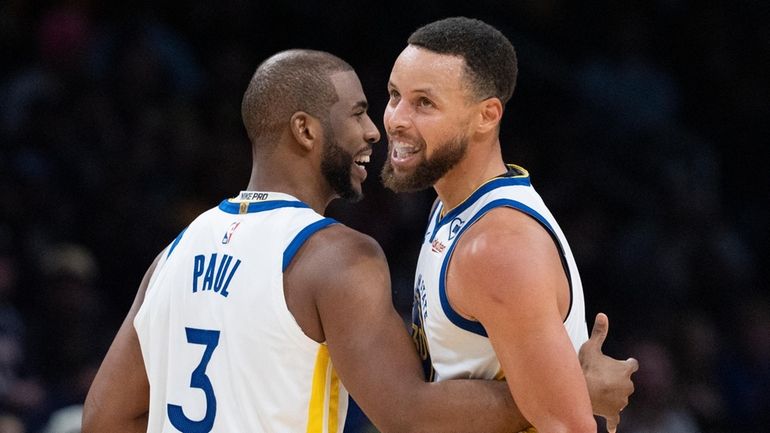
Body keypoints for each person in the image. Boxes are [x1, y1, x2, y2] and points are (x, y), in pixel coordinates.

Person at [82, 49, 633, 433]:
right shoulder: (336, 257)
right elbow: (412, 417)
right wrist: (570, 389)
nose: (376, 130)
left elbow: (105, 420)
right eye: (360, 112)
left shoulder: (173, 254)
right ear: (305, 131)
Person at [381, 17, 638, 433]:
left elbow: (570, 426)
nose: (396, 118)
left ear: (486, 116)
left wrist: (574, 392)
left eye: (424, 103)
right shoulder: (453, 208)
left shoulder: (497, 246)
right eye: (395, 95)